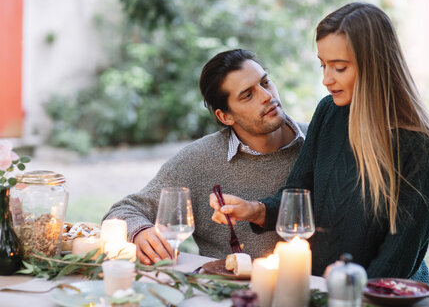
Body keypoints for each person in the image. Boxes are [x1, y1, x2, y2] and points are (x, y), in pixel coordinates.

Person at [209, 3, 429, 284]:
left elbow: (397, 259)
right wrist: (257, 210)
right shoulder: (329, 112)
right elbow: (299, 196)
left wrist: (343, 295)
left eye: (339, 67)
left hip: (378, 296)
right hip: (316, 287)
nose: (326, 79)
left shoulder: (419, 146)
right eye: (323, 65)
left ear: (375, 65)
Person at [103, 49, 308, 265]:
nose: (268, 96)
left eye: (265, 83)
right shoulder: (198, 161)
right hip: (223, 293)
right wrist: (141, 232)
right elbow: (123, 212)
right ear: (225, 116)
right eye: (248, 95)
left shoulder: (319, 140)